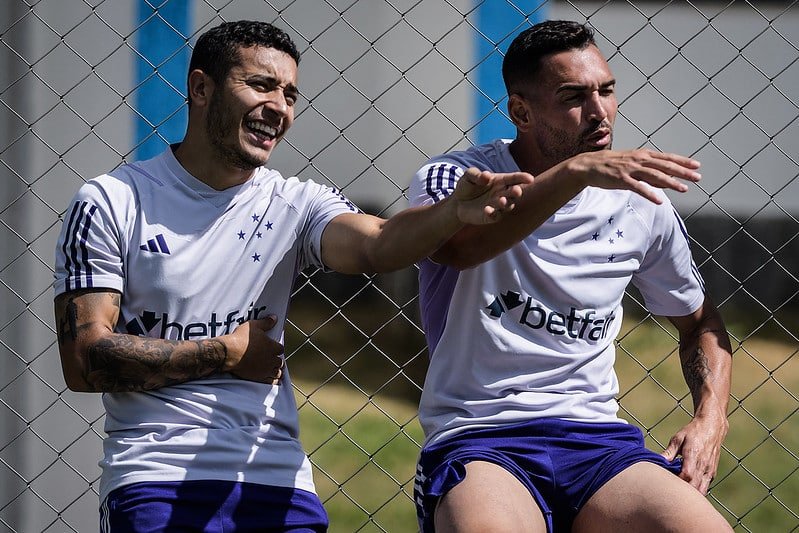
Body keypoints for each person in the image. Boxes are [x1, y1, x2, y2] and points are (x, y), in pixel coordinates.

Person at [52, 20, 534, 533]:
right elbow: (84, 362)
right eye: (261, 85)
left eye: (290, 94)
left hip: (276, 478)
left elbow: (377, 243)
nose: (279, 107)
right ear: (201, 88)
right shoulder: (112, 200)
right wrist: (226, 353)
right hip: (156, 476)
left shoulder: (295, 202)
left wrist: (451, 213)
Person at [409, 20, 733, 533]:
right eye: (573, 97)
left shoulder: (640, 202)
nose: (600, 111)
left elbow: (700, 324)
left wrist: (711, 418)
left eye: (606, 90)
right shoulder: (461, 179)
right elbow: (458, 250)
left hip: (597, 442)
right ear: (521, 112)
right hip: (482, 437)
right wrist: (575, 174)